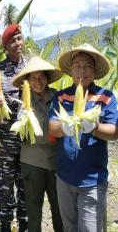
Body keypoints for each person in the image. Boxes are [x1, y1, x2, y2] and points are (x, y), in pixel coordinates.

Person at [49, 44, 118, 232]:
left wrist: (94, 128)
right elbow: (52, 127)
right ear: (71, 70)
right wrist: (64, 127)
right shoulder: (61, 96)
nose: (82, 70)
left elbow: (114, 131)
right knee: (69, 228)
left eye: (87, 66)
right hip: (64, 177)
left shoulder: (106, 97)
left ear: (95, 71)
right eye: (77, 65)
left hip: (92, 180)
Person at [12, 57, 64, 232]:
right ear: (27, 81)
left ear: (47, 78)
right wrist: (23, 121)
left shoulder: (58, 97)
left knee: (60, 210)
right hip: (32, 163)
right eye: (33, 78)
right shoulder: (24, 102)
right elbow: (21, 134)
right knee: (34, 212)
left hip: (56, 162)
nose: (38, 81)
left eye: (41, 77)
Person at [0, 23, 27, 231]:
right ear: (5, 47)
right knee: (5, 186)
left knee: (25, 185)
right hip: (5, 141)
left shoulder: (31, 67)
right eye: (12, 41)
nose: (17, 43)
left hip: (26, 140)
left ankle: (24, 223)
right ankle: (5, 224)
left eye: (20, 38)